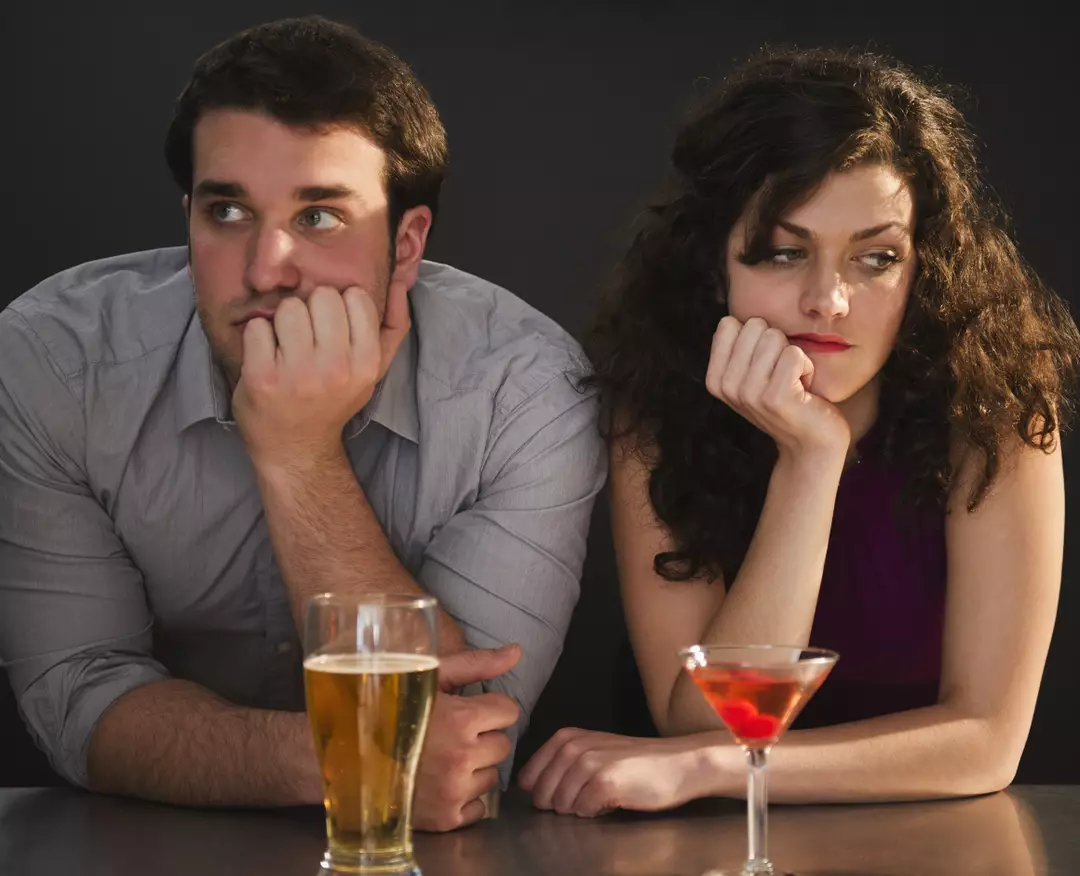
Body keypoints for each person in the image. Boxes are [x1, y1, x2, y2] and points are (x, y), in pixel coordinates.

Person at [0, 16, 605, 832]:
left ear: (406, 242)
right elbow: (78, 693)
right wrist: (344, 760)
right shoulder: (53, 363)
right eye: (227, 212)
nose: (264, 269)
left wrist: (300, 455)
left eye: (319, 216)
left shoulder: (523, 390)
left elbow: (469, 735)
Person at [518, 46, 1079, 815]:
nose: (830, 301)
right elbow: (700, 716)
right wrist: (811, 462)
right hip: (712, 851)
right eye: (785, 252)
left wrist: (708, 768)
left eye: (876, 258)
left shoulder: (996, 414)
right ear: (717, 264)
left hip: (937, 849)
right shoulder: (657, 415)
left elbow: (986, 740)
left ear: (926, 265)